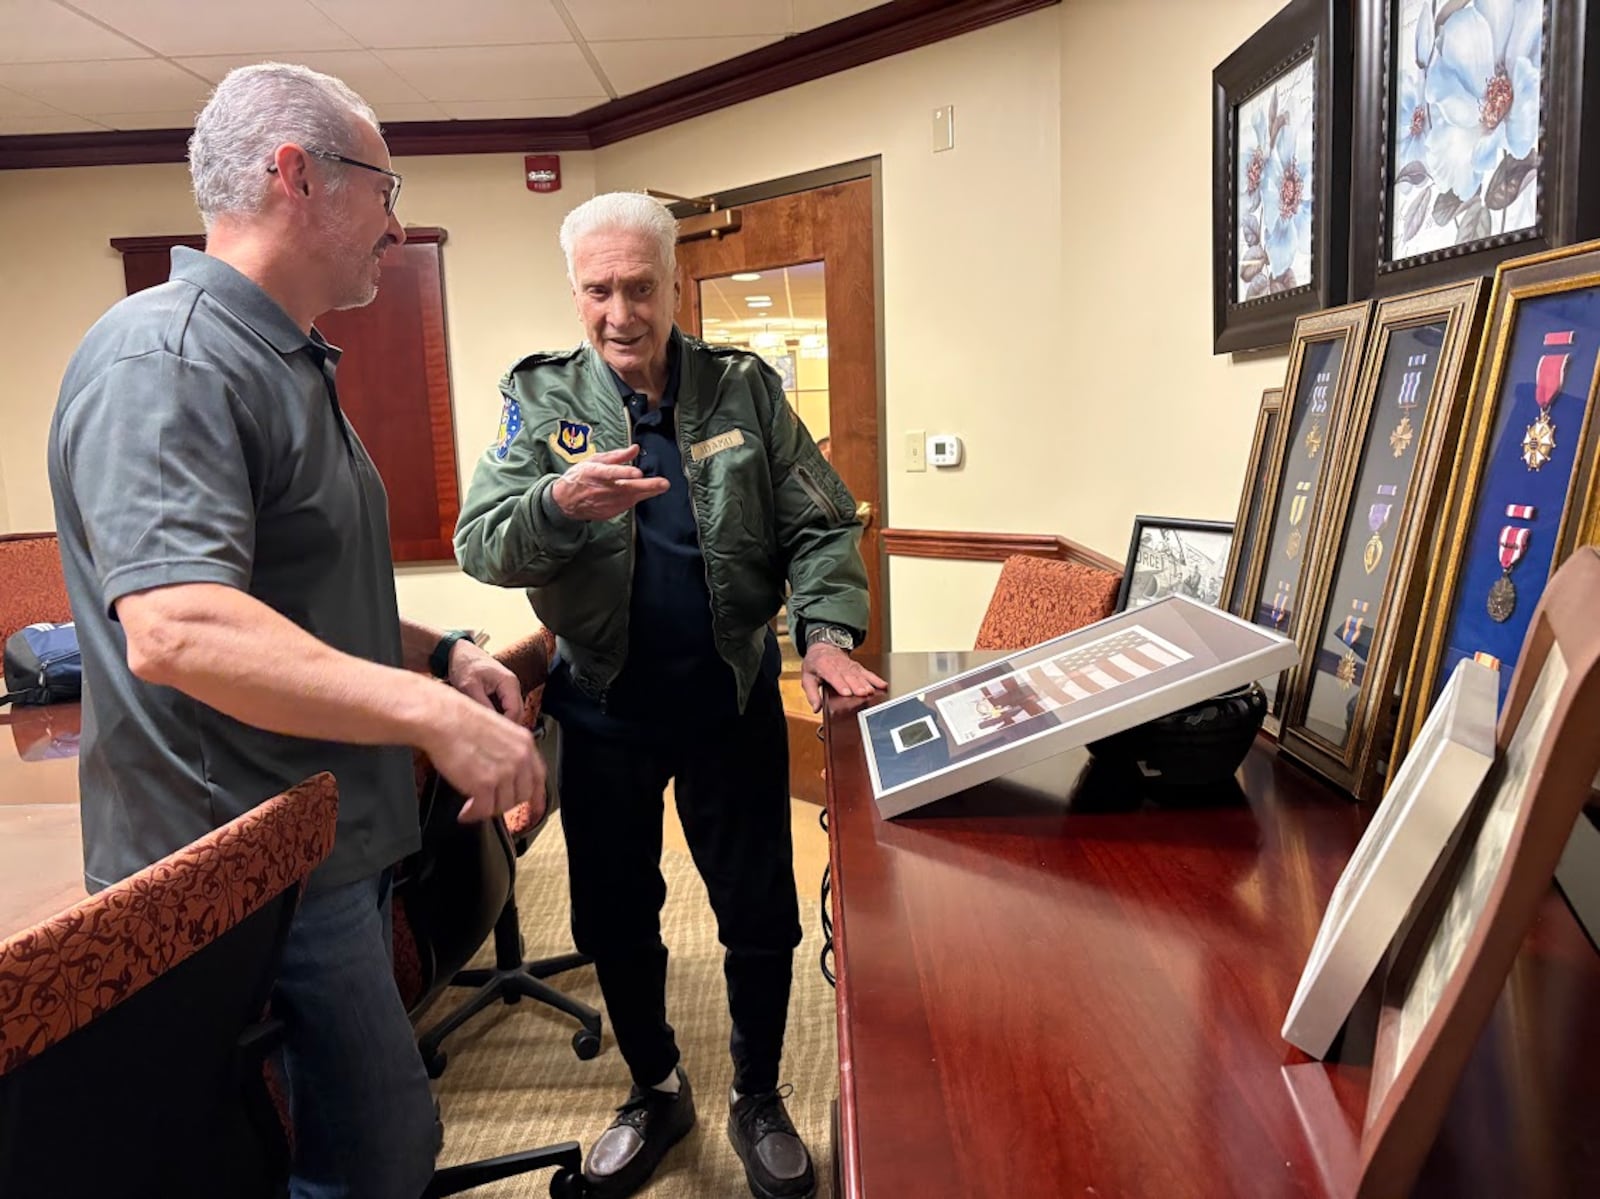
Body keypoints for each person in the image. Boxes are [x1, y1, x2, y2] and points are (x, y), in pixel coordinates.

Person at [46, 63, 545, 1199]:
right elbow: (178, 627)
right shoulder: (168, 359)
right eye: (385, 188)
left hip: (321, 839)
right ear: (297, 176)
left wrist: (441, 654)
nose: (397, 223)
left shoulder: (281, 354)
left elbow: (308, 591)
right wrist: (424, 713)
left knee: (377, 1142)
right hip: (242, 861)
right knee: (371, 1155)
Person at [455, 191, 885, 1199]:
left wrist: (825, 632)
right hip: (602, 705)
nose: (620, 313)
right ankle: (656, 1088)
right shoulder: (538, 398)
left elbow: (821, 520)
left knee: (759, 910)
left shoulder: (743, 390)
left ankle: (757, 1092)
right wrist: (557, 504)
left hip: (728, 699)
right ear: (575, 292)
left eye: (639, 287)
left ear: (674, 283)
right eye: (598, 290)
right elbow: (483, 541)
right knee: (613, 915)